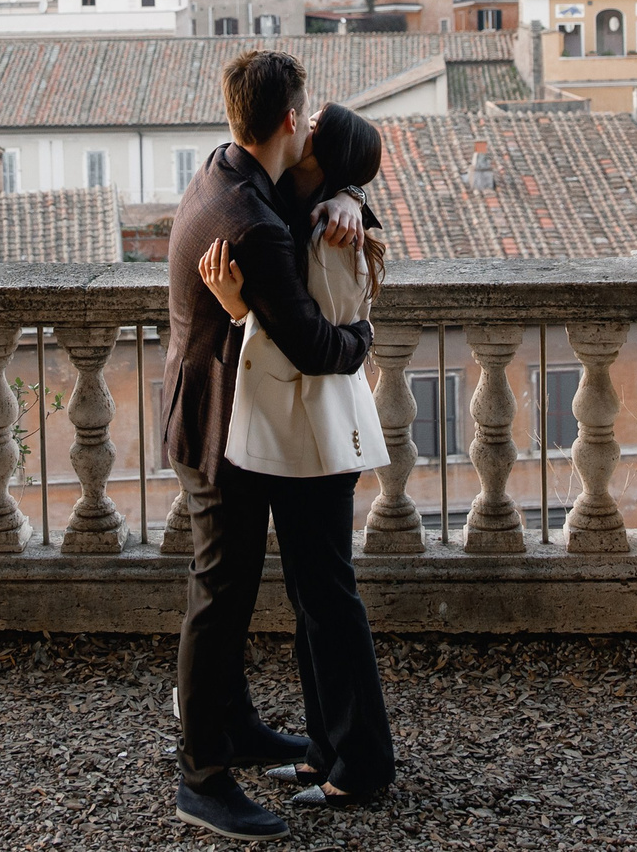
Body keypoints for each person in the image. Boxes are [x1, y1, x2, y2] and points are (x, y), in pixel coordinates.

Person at [162, 50, 373, 843]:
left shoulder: (226, 170)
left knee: (231, 591)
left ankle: (239, 729)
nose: (312, 121)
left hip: (207, 410)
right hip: (221, 430)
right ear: (290, 119)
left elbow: (320, 183)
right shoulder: (251, 223)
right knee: (220, 597)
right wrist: (363, 335)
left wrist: (349, 192)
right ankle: (202, 775)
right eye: (307, 111)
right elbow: (315, 345)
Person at [208, 102, 397, 813]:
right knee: (312, 600)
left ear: (320, 150)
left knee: (331, 600)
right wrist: (352, 193)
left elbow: (320, 339)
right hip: (298, 439)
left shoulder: (332, 230)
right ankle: (326, 749)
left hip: (319, 437)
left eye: (313, 124)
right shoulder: (305, 200)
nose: (301, 122)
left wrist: (237, 309)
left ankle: (363, 764)